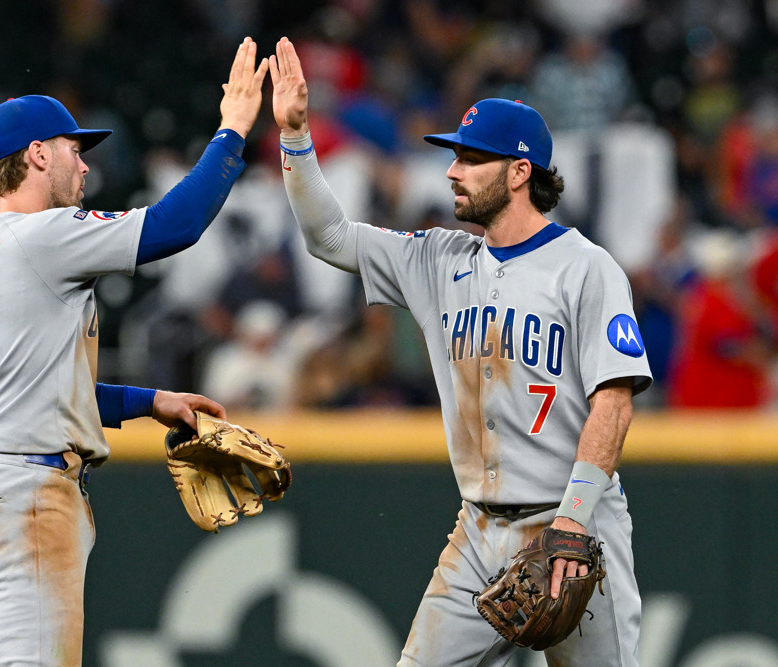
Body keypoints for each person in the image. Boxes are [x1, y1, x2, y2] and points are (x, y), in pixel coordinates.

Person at [269, 37, 652, 666]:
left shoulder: (586, 268)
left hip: (576, 529)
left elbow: (613, 404)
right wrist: (295, 138)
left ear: (520, 171)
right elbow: (329, 236)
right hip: (478, 531)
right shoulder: (437, 259)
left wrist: (574, 523)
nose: (452, 171)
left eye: (472, 159)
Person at [0, 38, 268, 667]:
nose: (84, 167)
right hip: (28, 495)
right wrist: (232, 129)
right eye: (72, 150)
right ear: (37, 155)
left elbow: (39, 386)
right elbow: (177, 225)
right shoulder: (43, 236)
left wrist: (152, 401)